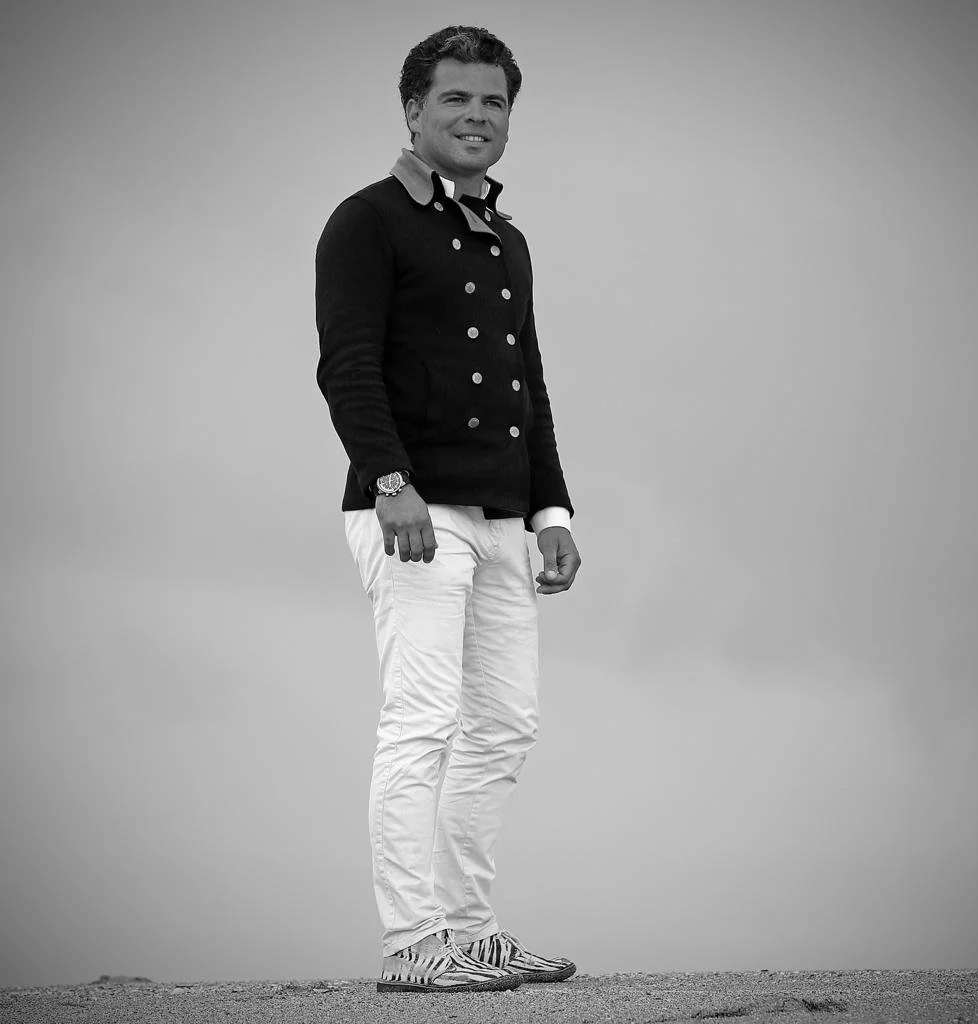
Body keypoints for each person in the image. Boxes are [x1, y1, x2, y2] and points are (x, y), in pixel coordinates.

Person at [314, 25, 581, 995]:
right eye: (456, 99)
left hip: (504, 516)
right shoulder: (366, 221)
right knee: (421, 722)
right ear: (413, 110)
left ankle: (471, 932)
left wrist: (552, 510)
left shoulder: (509, 240)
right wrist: (391, 484)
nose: (477, 116)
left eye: (494, 102)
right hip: (412, 512)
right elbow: (346, 366)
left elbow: (527, 385)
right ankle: (412, 944)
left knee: (504, 724)